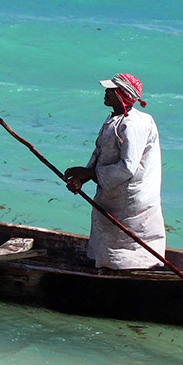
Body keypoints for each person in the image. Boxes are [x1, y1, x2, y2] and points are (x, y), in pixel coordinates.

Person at [62, 73, 165, 270]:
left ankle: (127, 271)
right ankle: (110, 268)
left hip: (130, 197)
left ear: (122, 95)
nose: (106, 93)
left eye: (111, 90)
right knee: (112, 240)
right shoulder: (115, 120)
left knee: (129, 244)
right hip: (113, 193)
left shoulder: (132, 124)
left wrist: (91, 174)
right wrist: (83, 176)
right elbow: (101, 151)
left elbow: (127, 167)